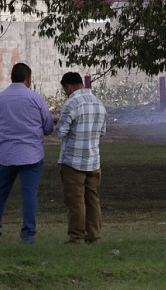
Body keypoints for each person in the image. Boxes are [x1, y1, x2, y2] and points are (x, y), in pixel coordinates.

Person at [0, 62, 54, 243]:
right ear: (28, 78)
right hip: (31, 155)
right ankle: (28, 235)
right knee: (29, 195)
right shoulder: (36, 99)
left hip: (5, 155)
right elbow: (48, 127)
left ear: (11, 77)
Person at [56, 72, 108, 244]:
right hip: (93, 160)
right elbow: (102, 132)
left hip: (73, 160)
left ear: (68, 86)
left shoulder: (71, 103)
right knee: (92, 199)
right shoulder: (99, 103)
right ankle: (94, 235)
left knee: (75, 200)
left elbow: (61, 131)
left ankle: (76, 236)